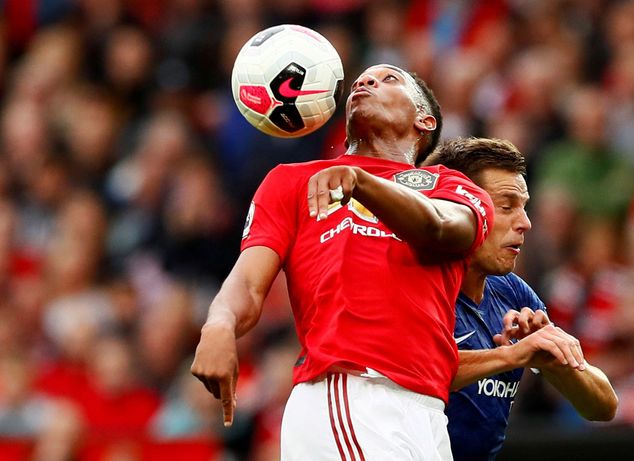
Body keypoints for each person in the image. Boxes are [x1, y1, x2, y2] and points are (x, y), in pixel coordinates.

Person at [191, 64, 496, 461]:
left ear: (425, 120)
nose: (366, 82)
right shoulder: (292, 181)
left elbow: (441, 229)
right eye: (361, 81)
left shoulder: (451, 187)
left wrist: (362, 183)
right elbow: (249, 283)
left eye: (389, 80)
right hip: (350, 393)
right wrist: (219, 323)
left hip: (427, 410)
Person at [421, 137, 618, 461]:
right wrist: (512, 356)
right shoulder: (416, 282)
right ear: (457, 208)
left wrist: (554, 360)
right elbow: (417, 369)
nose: (525, 222)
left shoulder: (512, 291)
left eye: (524, 206)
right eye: (507, 206)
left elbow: (603, 406)